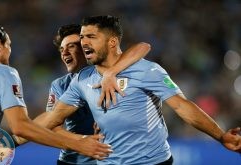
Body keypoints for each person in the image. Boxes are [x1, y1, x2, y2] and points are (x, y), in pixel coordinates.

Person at [43, 15, 241, 165]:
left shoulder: (147, 70)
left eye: (91, 37)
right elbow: (51, 119)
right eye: (83, 37)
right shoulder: (82, 80)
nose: (84, 42)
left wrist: (221, 136)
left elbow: (183, 107)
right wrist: (16, 137)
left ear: (112, 41)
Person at [0, 22, 113, 165]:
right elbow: (22, 126)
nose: (10, 51)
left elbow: (50, 117)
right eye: (9, 45)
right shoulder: (2, 72)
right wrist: (78, 144)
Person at [14, 24, 151, 164]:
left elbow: (143, 46)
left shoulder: (110, 73)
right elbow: (53, 125)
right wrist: (82, 141)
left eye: (71, 46)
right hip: (73, 160)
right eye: (62, 49)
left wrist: (112, 72)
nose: (64, 53)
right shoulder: (60, 85)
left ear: (86, 48)